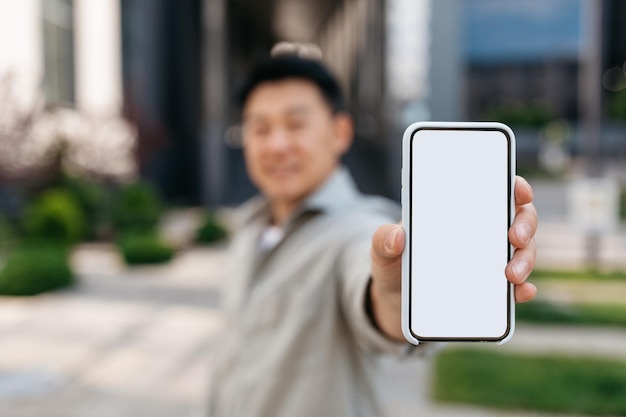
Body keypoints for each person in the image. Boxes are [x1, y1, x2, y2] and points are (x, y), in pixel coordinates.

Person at [206, 53, 537, 417]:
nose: (277, 144)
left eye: (296, 124)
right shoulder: (248, 228)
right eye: (261, 128)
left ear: (340, 132)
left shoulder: (360, 227)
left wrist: (396, 291)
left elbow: (378, 296)